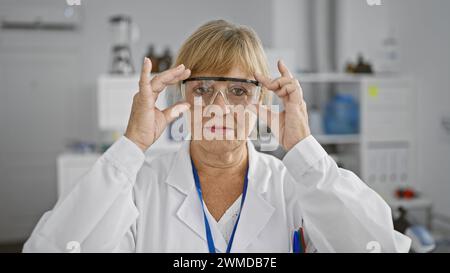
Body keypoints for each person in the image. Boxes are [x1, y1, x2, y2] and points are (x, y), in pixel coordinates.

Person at [23, 20, 410, 253]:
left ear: (261, 97)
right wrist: (131, 147)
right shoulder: (140, 188)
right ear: (181, 97)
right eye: (203, 89)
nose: (220, 107)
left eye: (238, 91)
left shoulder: (296, 187)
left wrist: (305, 152)